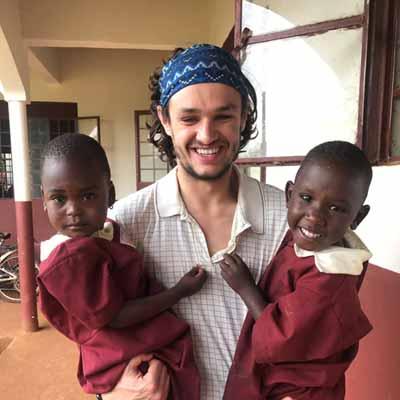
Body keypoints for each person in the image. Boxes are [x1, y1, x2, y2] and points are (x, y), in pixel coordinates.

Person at [106, 43, 289, 400]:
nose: (207, 135)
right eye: (190, 118)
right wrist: (110, 393)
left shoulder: (286, 219)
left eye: (223, 116)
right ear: (165, 120)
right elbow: (97, 325)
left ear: (244, 116)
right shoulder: (127, 223)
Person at [37, 133, 207, 399]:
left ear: (110, 193)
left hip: (134, 343)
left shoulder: (106, 232)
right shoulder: (67, 259)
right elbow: (115, 316)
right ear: (44, 201)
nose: (73, 210)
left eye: (88, 196)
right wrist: (178, 292)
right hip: (117, 354)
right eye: (59, 198)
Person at [220, 141, 373, 399]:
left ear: (357, 217)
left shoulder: (329, 277)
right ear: (289, 194)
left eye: (335, 208)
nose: (314, 216)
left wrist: (246, 287)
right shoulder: (312, 243)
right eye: (306, 198)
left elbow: (282, 337)